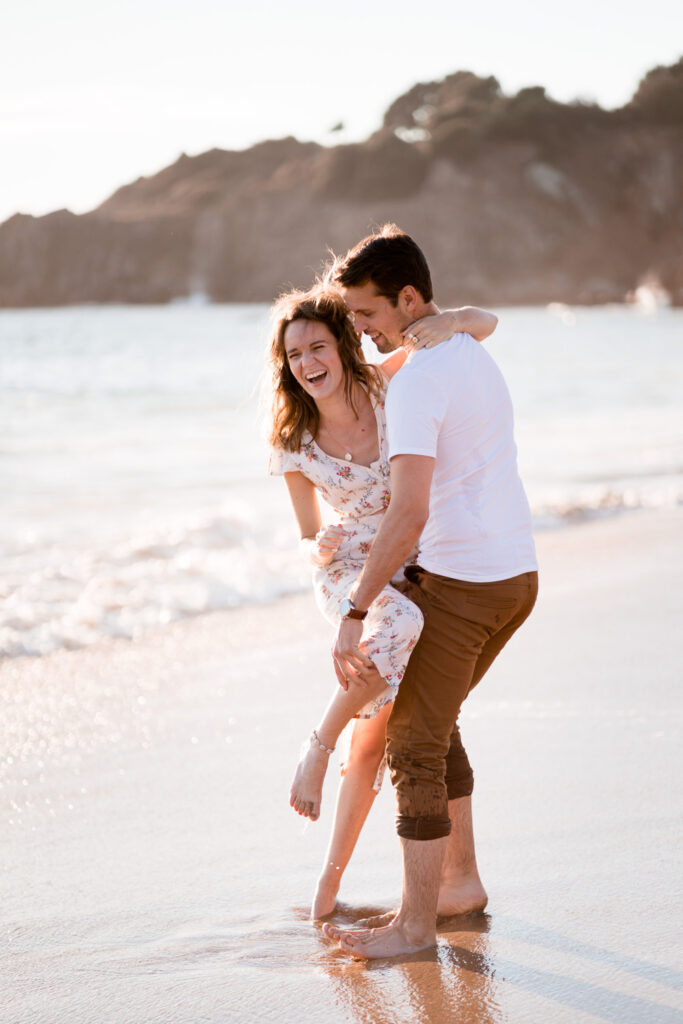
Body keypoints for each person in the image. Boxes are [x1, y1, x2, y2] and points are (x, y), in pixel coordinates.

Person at [323, 224, 538, 958]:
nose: (358, 332)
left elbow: (410, 510)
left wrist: (354, 608)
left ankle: (416, 928)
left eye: (366, 314)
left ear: (408, 298)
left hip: (466, 583)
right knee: (433, 721)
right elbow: (480, 319)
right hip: (513, 576)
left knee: (412, 741)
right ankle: (458, 885)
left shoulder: (418, 377)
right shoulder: (460, 347)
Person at [266, 284, 497, 919]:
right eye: (294, 355)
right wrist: (324, 542)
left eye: (317, 346)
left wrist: (446, 319)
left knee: (374, 737)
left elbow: (485, 324)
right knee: (398, 621)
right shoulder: (292, 439)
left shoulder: (387, 382)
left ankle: (324, 891)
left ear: (340, 348)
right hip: (352, 579)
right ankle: (316, 749)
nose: (307, 362)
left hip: (409, 562)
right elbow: (310, 540)